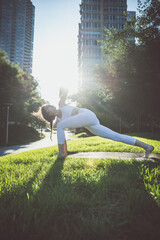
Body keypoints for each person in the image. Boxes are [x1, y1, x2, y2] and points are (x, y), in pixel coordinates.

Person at [38, 103, 154, 159]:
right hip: (90, 123)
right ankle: (146, 146)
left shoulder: (62, 107)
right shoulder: (59, 122)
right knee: (115, 136)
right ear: (48, 115)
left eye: (50, 106)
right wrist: (65, 148)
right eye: (48, 110)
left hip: (86, 114)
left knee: (60, 126)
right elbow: (62, 135)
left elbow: (65, 93)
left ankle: (61, 154)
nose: (51, 108)